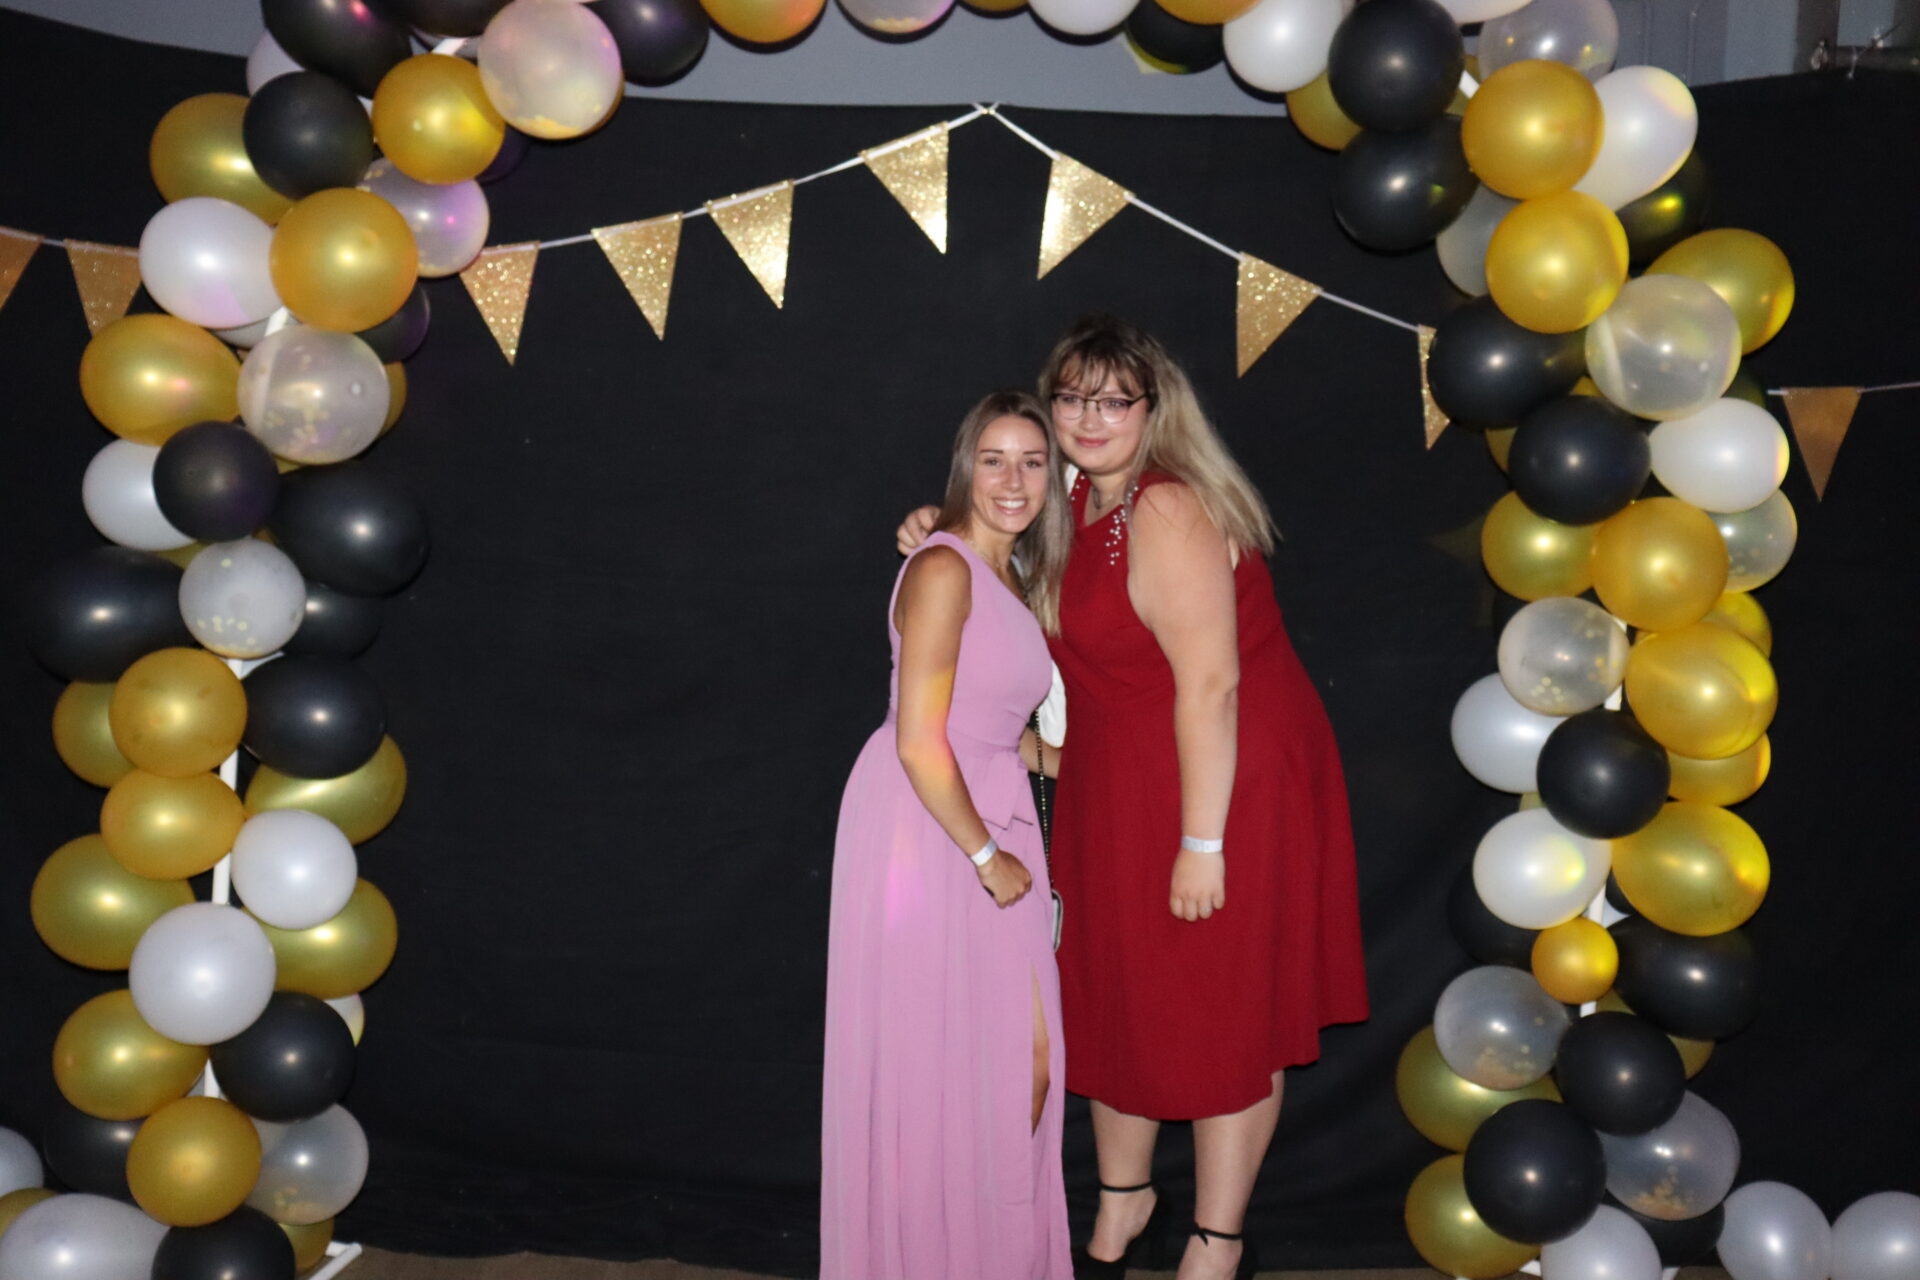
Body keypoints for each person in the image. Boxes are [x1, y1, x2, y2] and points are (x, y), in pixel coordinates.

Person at [897, 317, 1369, 1280]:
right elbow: (1005, 585)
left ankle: (1217, 1241)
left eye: (1115, 400)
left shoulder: (1167, 507)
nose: (1089, 417)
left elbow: (1212, 687)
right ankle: (1124, 1202)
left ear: (1155, 410)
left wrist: (1204, 843)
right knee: (1113, 993)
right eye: (1072, 397)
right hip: (1116, 776)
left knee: (1225, 1009)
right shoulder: (1066, 501)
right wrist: (938, 527)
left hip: (1222, 781)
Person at [820, 390, 1076, 1279]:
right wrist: (984, 855)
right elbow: (920, 737)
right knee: (941, 1066)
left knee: (1020, 1064)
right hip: (928, 827)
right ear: (967, 465)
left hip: (991, 809)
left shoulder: (1011, 574)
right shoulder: (943, 568)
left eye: (1033, 462)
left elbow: (996, 724)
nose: (1014, 480)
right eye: (994, 460)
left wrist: (1092, 769)